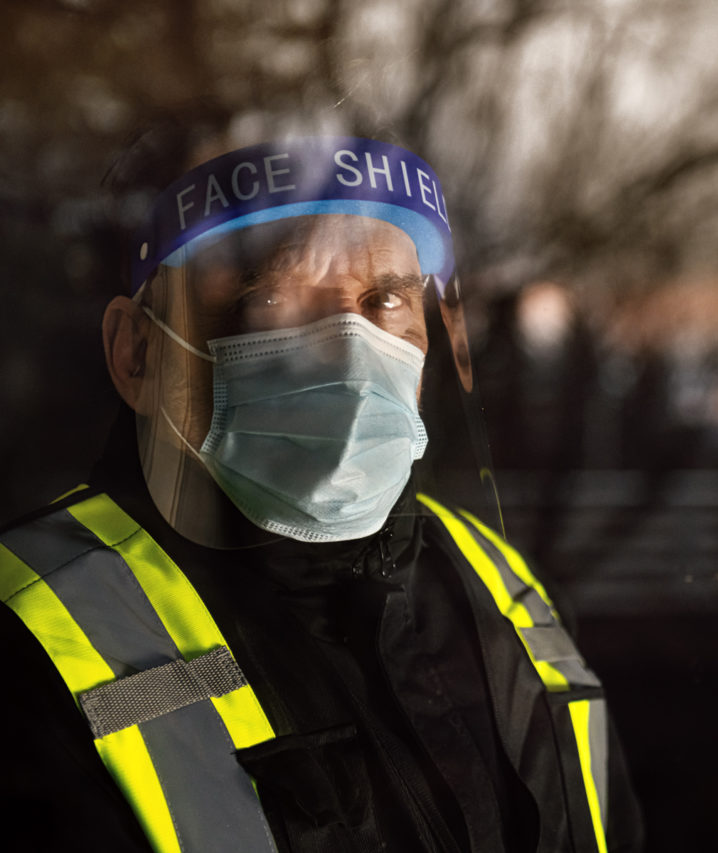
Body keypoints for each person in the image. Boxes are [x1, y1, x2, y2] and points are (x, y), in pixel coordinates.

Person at [0, 128, 642, 852]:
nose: (350, 349)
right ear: (137, 354)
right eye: (272, 296)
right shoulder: (31, 641)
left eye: (385, 299)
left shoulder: (501, 588)